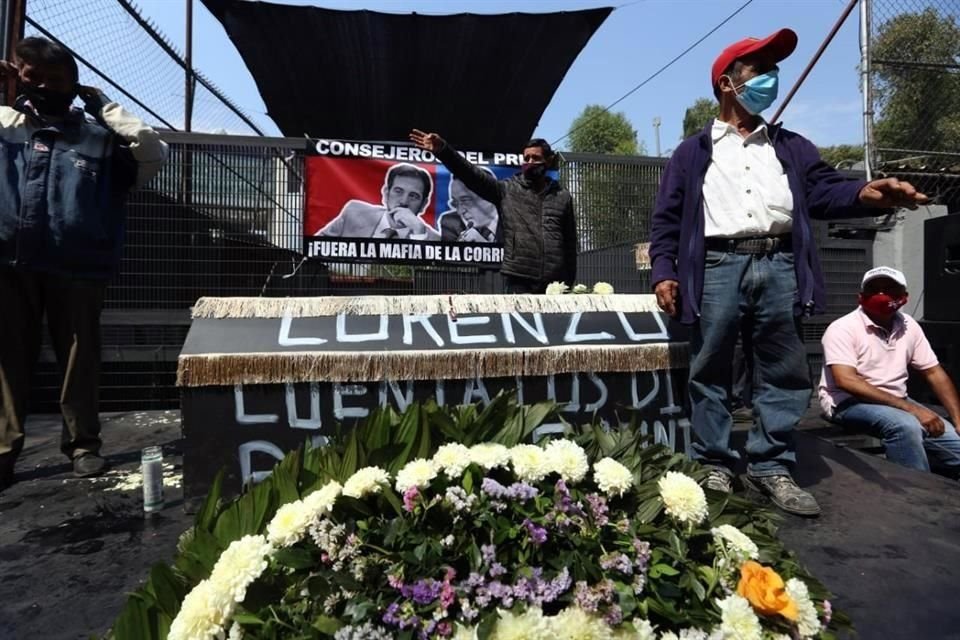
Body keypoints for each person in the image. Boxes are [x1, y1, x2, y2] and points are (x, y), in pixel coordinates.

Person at [649, 28, 929, 516]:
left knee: (783, 370)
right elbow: (667, 219)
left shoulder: (792, 147)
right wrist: (663, 270)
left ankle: (771, 466)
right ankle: (714, 462)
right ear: (726, 85)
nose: (772, 79)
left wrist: (865, 194)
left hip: (780, 263)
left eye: (774, 70)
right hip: (716, 265)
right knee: (710, 366)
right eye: (760, 70)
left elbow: (824, 191)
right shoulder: (692, 153)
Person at [0, 37, 168, 491]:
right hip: (10, 263)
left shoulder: (98, 138)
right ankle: (3, 452)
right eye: (32, 77)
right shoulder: (4, 125)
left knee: (80, 357)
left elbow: (152, 150)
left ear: (75, 86)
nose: (43, 87)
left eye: (56, 80)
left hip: (78, 266)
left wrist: (103, 107)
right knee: (8, 358)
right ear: (15, 75)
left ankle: (82, 447)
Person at [819, 266, 960, 477]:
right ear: (861, 296)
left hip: (896, 399)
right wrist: (912, 409)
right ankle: (917, 495)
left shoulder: (909, 326)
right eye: (874, 289)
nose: (882, 295)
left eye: (890, 289)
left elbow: (934, 373)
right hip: (847, 402)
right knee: (905, 426)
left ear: (903, 297)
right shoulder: (842, 328)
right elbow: (846, 381)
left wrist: (958, 420)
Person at [410, 130, 577, 293]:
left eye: (536, 158)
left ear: (548, 161)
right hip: (520, 279)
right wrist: (444, 150)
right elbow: (471, 174)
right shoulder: (506, 190)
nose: (530, 162)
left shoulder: (562, 197)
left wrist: (569, 280)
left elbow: (570, 242)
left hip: (556, 282)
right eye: (526, 158)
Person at [317, 162, 440, 240]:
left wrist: (419, 233)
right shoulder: (354, 212)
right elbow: (315, 246)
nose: (404, 201)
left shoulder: (433, 238)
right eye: (398, 191)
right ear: (386, 194)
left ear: (424, 205)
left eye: (413, 196)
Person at [437, 173, 499, 243]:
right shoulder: (451, 222)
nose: (460, 212)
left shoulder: (512, 221)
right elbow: (448, 252)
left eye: (466, 201)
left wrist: (484, 246)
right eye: (455, 203)